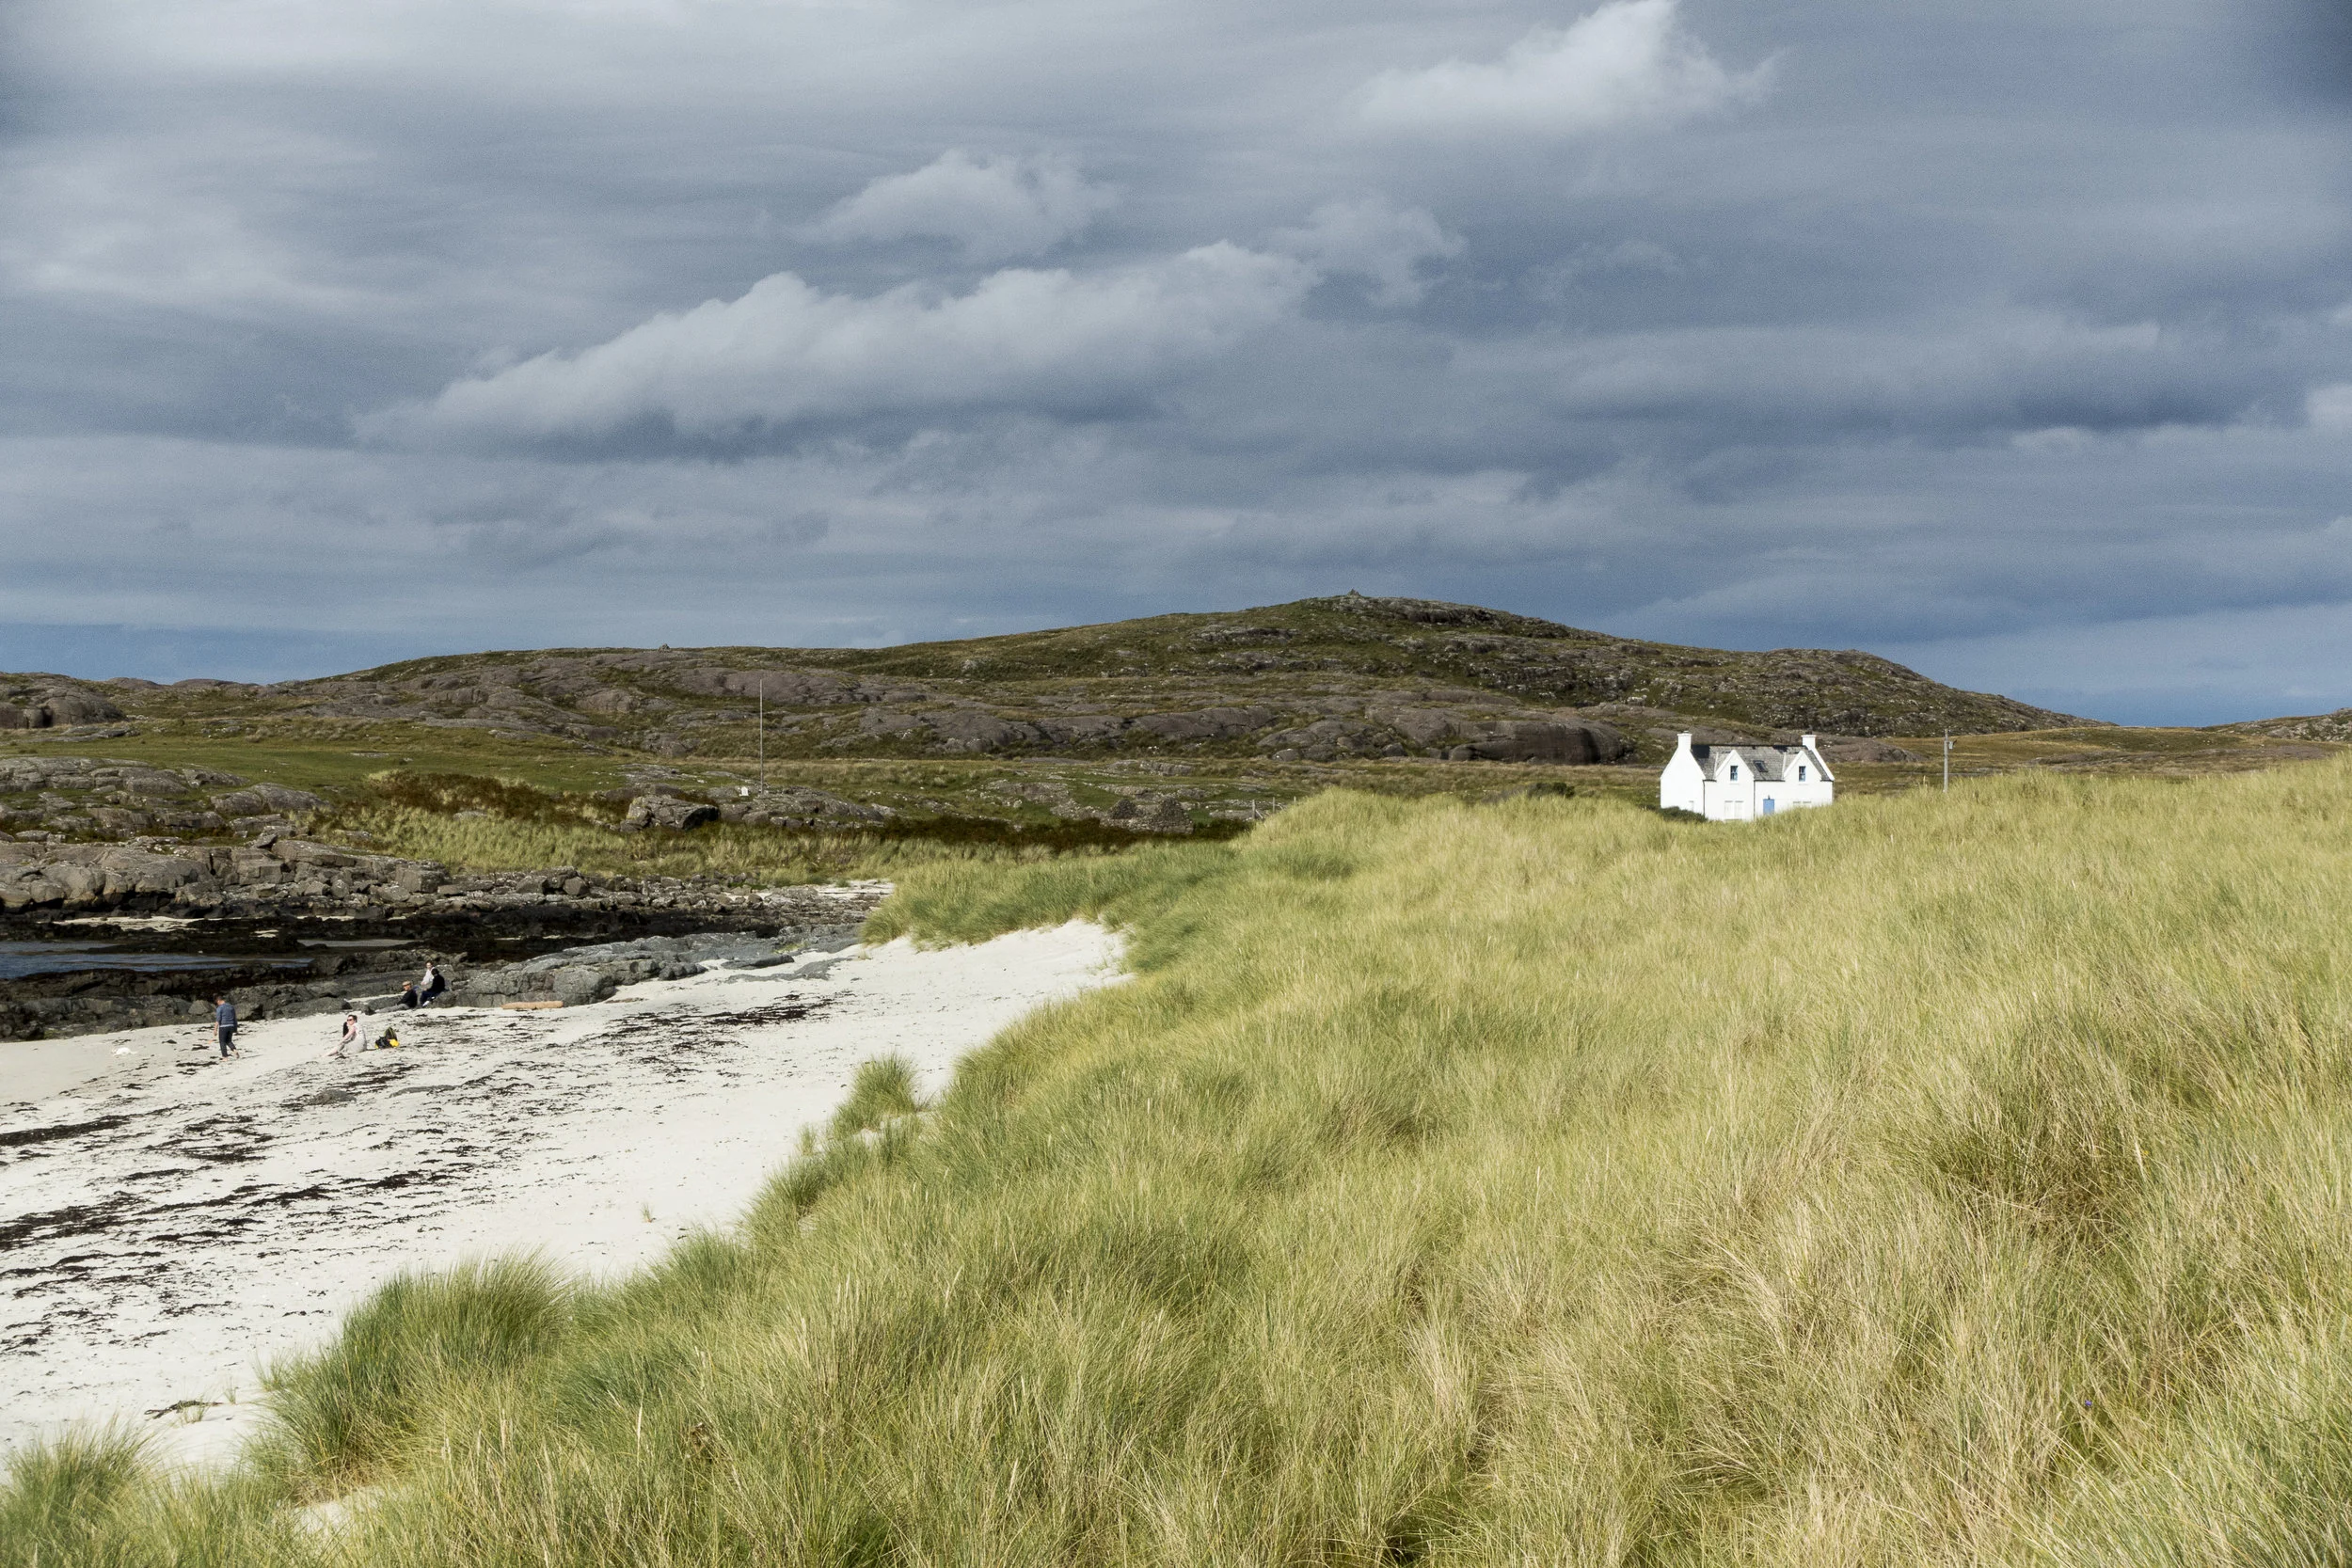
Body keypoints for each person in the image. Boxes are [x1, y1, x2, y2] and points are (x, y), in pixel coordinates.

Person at [214, 995, 239, 1059]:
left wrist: (215, 1029)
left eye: (217, 1002)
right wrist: (235, 1028)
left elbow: (218, 1019)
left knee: (222, 1042)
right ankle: (234, 1050)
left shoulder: (220, 1008)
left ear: (219, 1001)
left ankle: (225, 1057)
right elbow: (234, 1018)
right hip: (231, 1026)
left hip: (223, 1026)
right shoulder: (231, 1007)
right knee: (228, 1041)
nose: (217, 1004)